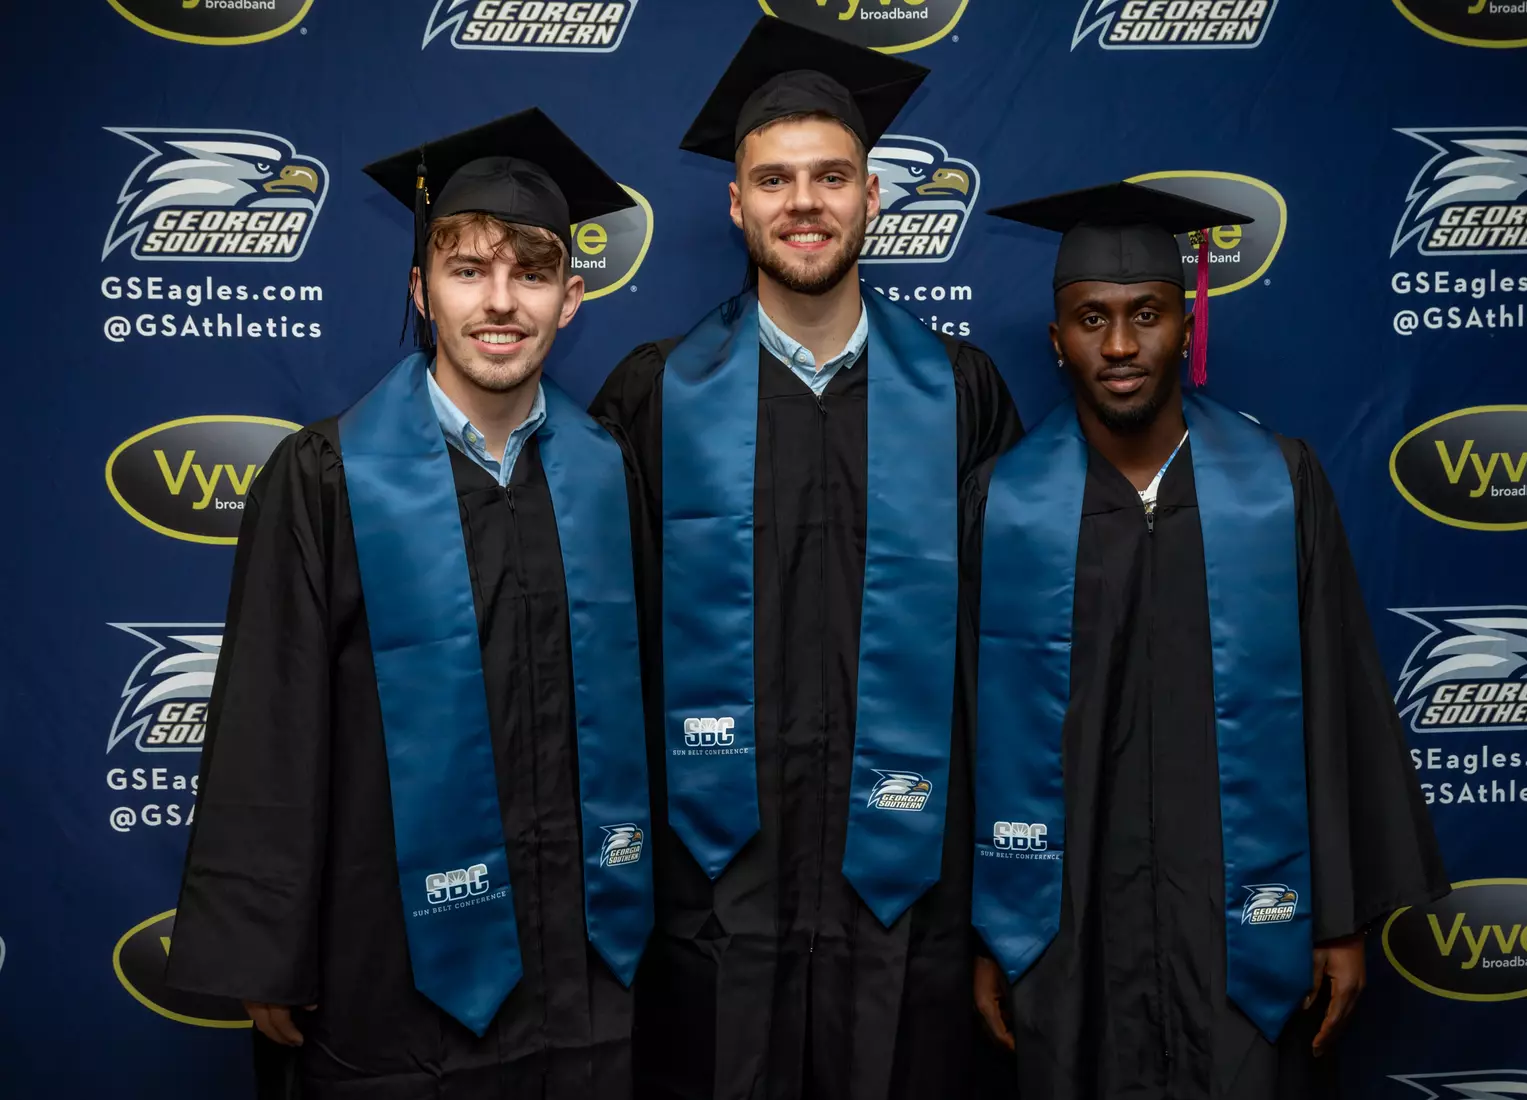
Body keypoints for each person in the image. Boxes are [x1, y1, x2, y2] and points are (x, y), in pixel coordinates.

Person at [165, 108, 655, 1099]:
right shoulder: (328, 477)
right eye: (469, 270)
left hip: (580, 961)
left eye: (531, 272)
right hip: (387, 960)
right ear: (421, 291)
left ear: (572, 298)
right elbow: (270, 720)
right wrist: (269, 948)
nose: (500, 301)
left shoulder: (609, 473)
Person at [590, 17, 1022, 1100]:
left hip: (909, 883)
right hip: (713, 890)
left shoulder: (961, 396)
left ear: (875, 197)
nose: (804, 204)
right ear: (737, 204)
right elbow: (597, 649)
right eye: (774, 180)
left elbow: (1017, 658)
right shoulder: (657, 396)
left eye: (832, 176)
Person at [966, 182, 1450, 1100]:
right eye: (1091, 319)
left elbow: (1334, 699)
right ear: (1055, 340)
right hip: (1071, 933)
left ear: (1186, 325)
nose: (1118, 346)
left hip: (1242, 925)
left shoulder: (1278, 486)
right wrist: (988, 931)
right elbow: (971, 735)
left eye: (1145, 315)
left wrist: (1338, 919)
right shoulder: (1004, 506)